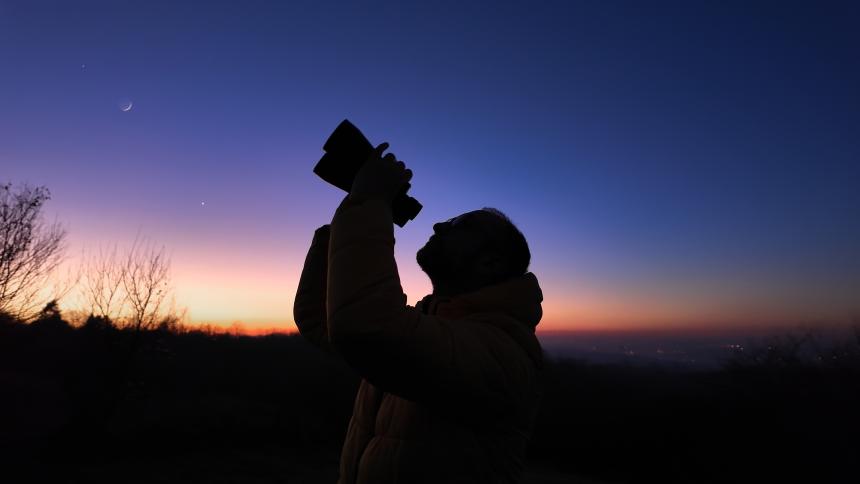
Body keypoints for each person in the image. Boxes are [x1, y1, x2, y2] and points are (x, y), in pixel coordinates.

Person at [293, 142, 545, 483]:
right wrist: (351, 215)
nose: (441, 225)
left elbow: (363, 327)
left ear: (490, 262)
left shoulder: (502, 354)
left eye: (461, 225)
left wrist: (371, 202)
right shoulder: (428, 326)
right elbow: (321, 321)